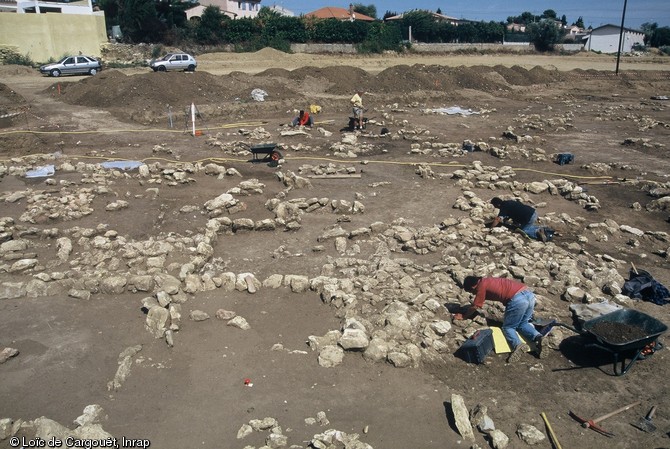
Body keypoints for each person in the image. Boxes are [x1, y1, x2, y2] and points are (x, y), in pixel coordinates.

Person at [454, 276, 547, 363]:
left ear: (473, 286)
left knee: (508, 327)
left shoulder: (481, 286)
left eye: (471, 291)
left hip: (517, 299)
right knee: (523, 323)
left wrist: (464, 316)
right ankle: (539, 338)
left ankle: (517, 345)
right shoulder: (487, 280)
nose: (473, 294)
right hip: (529, 295)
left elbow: (475, 306)